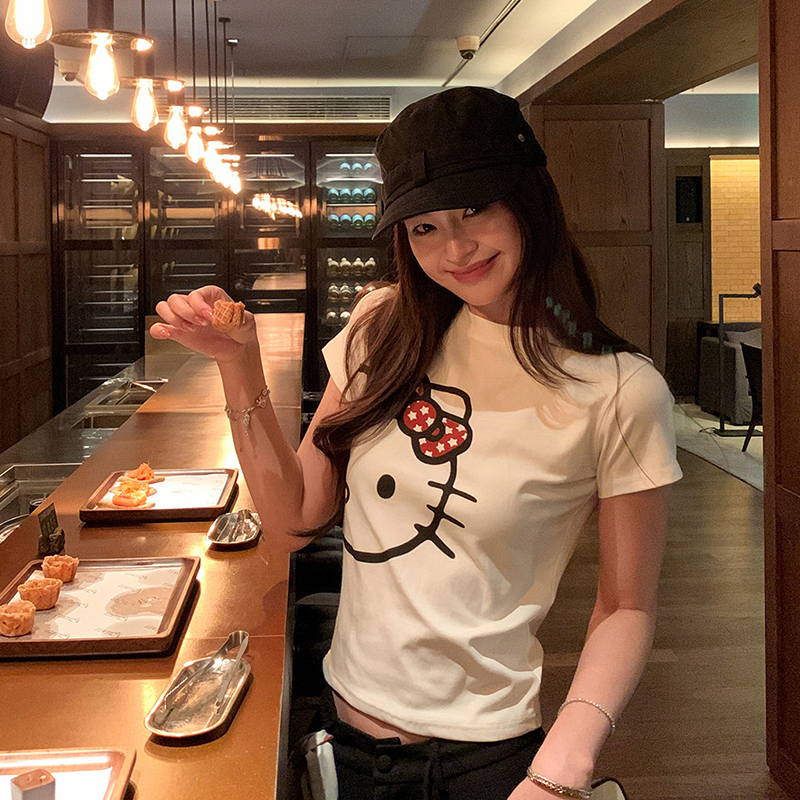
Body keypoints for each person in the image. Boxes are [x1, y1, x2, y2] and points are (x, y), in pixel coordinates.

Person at [150, 86, 682, 800]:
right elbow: (294, 519)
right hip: (341, 745)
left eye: (475, 210)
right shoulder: (383, 327)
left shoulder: (619, 389)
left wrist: (562, 768)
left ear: (530, 202)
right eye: (424, 226)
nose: (454, 248)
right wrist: (237, 362)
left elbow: (626, 607)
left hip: (484, 763)